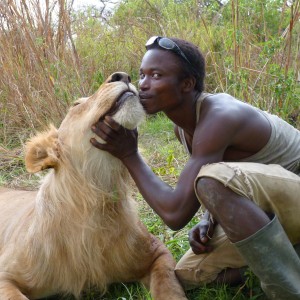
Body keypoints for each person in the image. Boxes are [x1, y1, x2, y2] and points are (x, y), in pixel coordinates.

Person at [90, 36, 300, 299]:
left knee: (210, 179)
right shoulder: (183, 128)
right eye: (142, 75)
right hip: (273, 208)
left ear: (187, 84)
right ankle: (290, 256)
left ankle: (289, 290)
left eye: (156, 75)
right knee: (187, 274)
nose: (142, 85)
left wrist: (129, 154)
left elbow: (175, 213)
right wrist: (208, 218)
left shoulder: (220, 117)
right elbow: (234, 174)